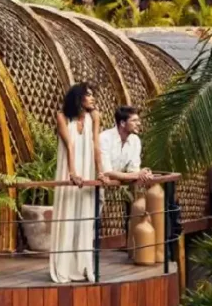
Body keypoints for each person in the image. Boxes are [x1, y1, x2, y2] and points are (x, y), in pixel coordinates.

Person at [49, 82, 105, 284]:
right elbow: (69, 146)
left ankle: (85, 267)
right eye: (88, 96)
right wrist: (72, 172)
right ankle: (63, 267)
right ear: (78, 98)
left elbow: (96, 145)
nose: (92, 99)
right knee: (68, 215)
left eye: (92, 95)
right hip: (69, 169)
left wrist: (101, 172)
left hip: (88, 170)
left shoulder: (94, 117)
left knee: (85, 218)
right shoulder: (62, 117)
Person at [99, 106, 158, 260]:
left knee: (94, 223)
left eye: (139, 120)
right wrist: (134, 174)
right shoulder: (104, 138)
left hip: (109, 185)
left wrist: (143, 173)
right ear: (122, 123)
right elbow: (106, 171)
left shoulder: (135, 140)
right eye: (134, 120)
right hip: (93, 183)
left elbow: (133, 169)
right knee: (88, 222)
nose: (139, 123)